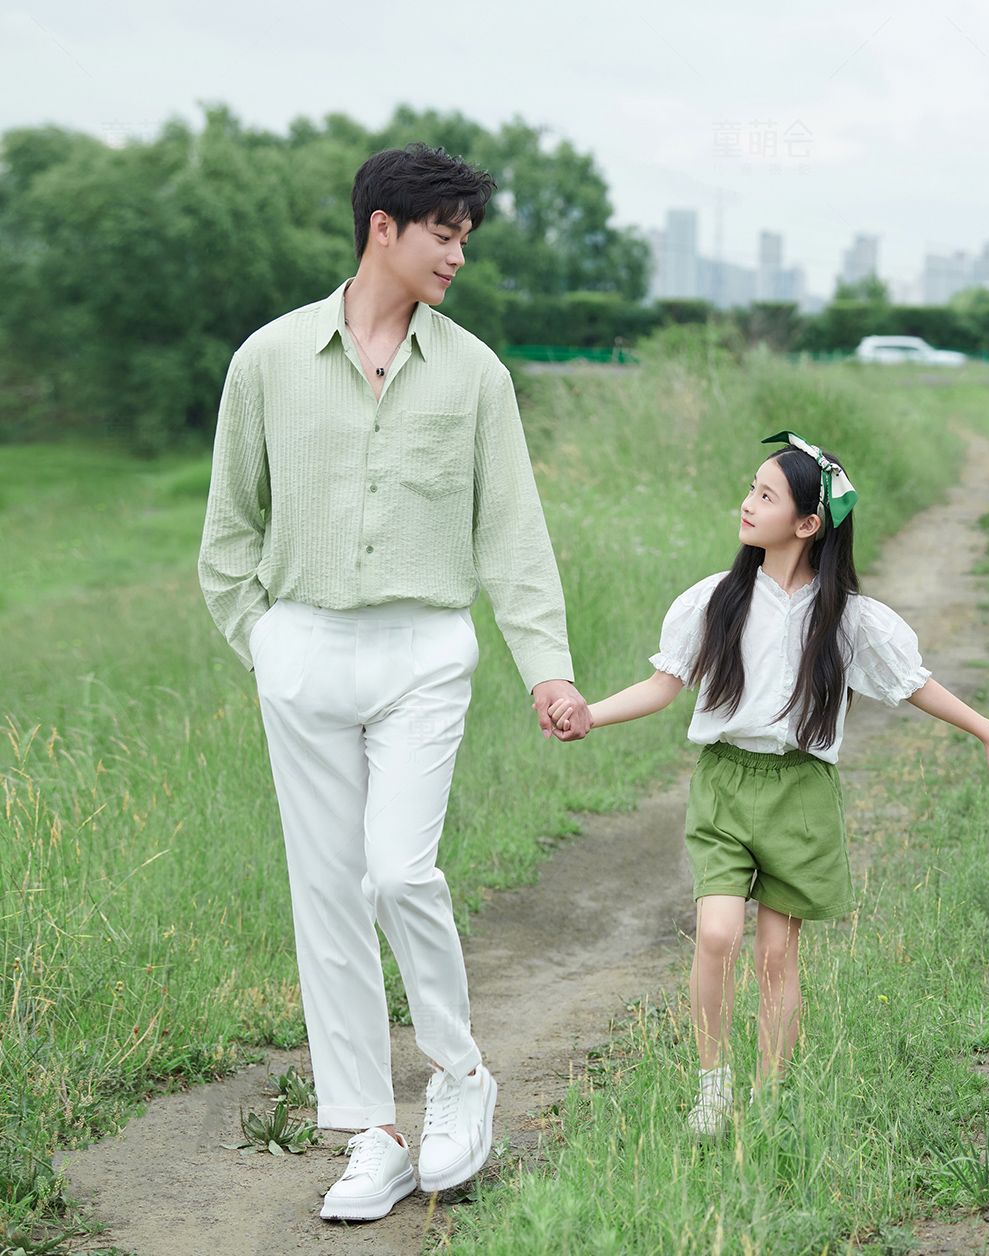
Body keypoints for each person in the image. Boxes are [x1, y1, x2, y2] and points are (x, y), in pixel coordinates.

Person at [198, 143, 590, 1221]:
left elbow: (513, 537)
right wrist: (268, 645)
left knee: (396, 871)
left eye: (465, 238)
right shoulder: (269, 360)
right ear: (384, 227)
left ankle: (460, 1074)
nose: (459, 256)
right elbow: (228, 529)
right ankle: (369, 1134)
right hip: (305, 650)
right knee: (327, 894)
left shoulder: (475, 374)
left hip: (424, 651)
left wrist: (547, 669)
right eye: (444, 235)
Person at [567, 432, 989, 1135]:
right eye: (751, 490)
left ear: (809, 523)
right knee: (717, 934)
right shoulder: (716, 600)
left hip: (801, 792)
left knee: (778, 954)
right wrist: (589, 714)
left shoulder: (846, 618)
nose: (747, 504)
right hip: (726, 783)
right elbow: (662, 686)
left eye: (765, 495)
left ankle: (772, 1095)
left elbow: (916, 686)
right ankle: (714, 1085)